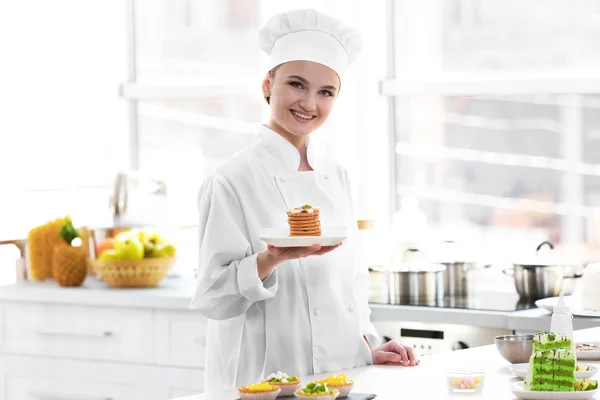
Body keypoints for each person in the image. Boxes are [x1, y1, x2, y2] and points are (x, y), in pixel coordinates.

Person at [190, 8, 419, 393]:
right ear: (267, 85)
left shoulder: (337, 176)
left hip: (340, 377)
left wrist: (369, 346)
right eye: (297, 84)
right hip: (264, 377)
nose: (309, 103)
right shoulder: (231, 179)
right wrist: (270, 259)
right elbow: (212, 296)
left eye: (326, 92)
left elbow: (351, 287)